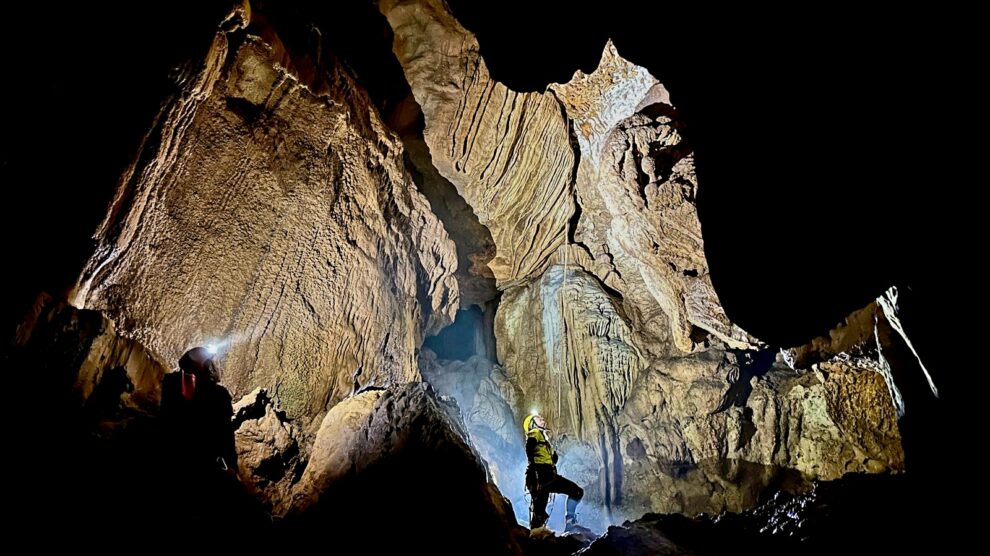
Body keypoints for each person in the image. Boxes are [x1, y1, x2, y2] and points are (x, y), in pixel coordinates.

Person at [160, 347, 239, 521]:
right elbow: (225, 435)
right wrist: (231, 465)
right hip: (199, 461)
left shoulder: (171, 384)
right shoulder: (218, 395)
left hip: (181, 459)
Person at [523, 414, 584, 529]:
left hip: (546, 476)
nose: (542, 418)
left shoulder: (544, 439)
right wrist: (535, 466)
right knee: (576, 492)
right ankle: (569, 521)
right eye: (537, 418)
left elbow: (553, 459)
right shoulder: (535, 432)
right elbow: (529, 447)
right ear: (532, 424)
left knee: (539, 512)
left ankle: (535, 535)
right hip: (539, 476)